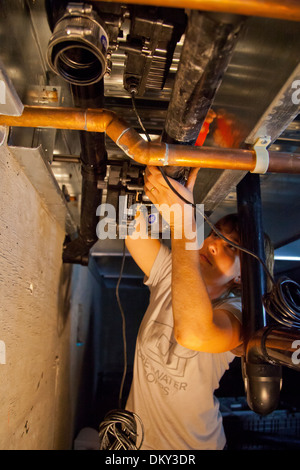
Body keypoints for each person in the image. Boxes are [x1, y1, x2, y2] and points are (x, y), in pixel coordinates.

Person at [125, 165, 243, 450]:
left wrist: (183, 225)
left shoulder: (239, 312)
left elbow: (194, 335)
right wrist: (154, 183)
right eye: (215, 233)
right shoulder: (171, 274)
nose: (213, 244)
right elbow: (132, 230)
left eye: (232, 247)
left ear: (244, 276)